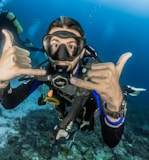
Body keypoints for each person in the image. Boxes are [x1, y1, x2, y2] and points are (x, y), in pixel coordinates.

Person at [0, 16, 136, 148]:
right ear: (46, 49)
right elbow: (9, 102)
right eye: (54, 45)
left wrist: (115, 107)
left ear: (82, 52)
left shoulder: (93, 80)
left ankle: (123, 91)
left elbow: (111, 141)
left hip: (87, 106)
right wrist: (2, 81)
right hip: (65, 107)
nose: (62, 56)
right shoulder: (43, 72)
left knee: (88, 123)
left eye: (71, 47)